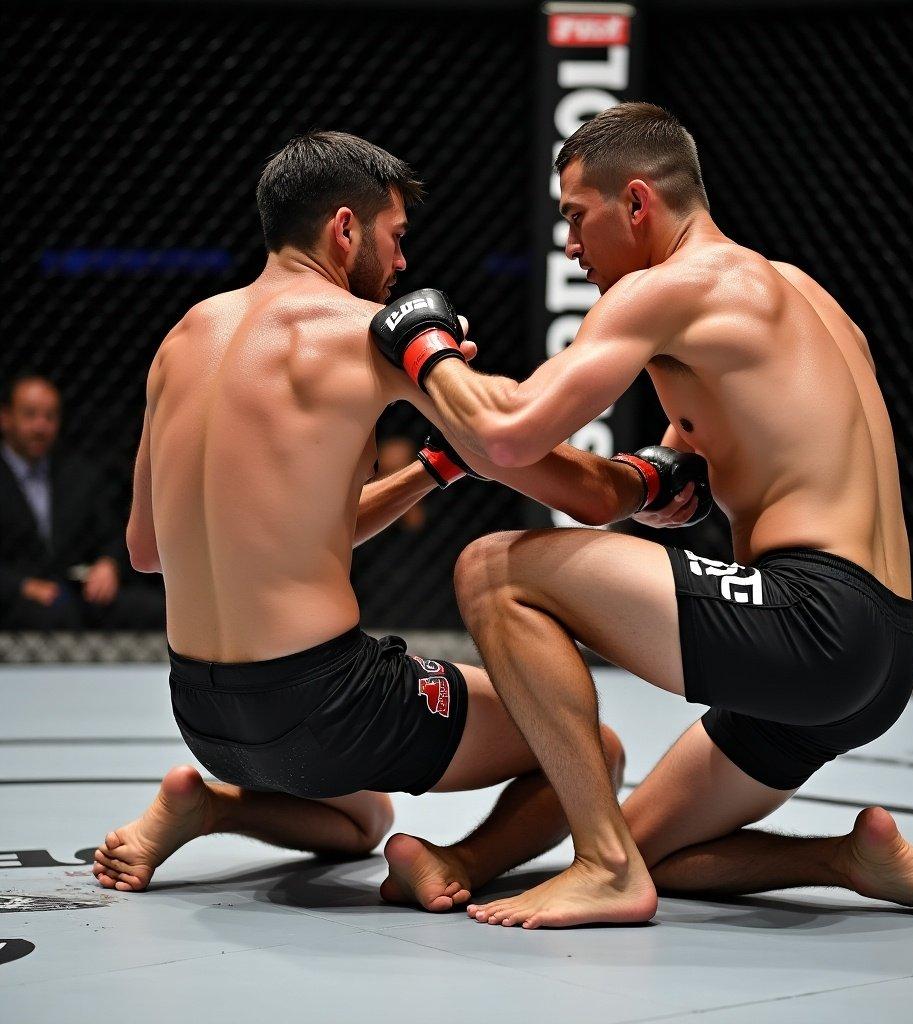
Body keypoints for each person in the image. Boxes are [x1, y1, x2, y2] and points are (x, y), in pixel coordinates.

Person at [370, 103, 913, 927]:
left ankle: (605, 871)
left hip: (813, 618)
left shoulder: (668, 291)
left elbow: (511, 437)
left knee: (494, 569)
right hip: (881, 649)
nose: (571, 246)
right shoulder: (800, 296)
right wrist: (648, 482)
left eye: (577, 218)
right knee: (657, 845)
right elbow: (598, 494)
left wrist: (424, 355)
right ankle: (847, 859)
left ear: (638, 204)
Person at [91, 131, 699, 909]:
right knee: (589, 751)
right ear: (345, 229)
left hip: (203, 714)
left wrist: (433, 467)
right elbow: (506, 434)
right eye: (396, 236)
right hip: (331, 705)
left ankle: (206, 804)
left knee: (362, 816)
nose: (403, 263)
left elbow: (148, 550)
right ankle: (456, 860)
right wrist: (648, 479)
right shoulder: (367, 333)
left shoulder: (181, 340)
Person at [0, 373, 165, 631]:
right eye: (30, 415)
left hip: (79, 592)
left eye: (49, 416)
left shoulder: (76, 474)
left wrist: (108, 565)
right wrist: (23, 586)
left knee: (156, 609)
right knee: (53, 615)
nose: (41, 426)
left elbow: (111, 532)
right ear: (6, 418)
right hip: (17, 597)